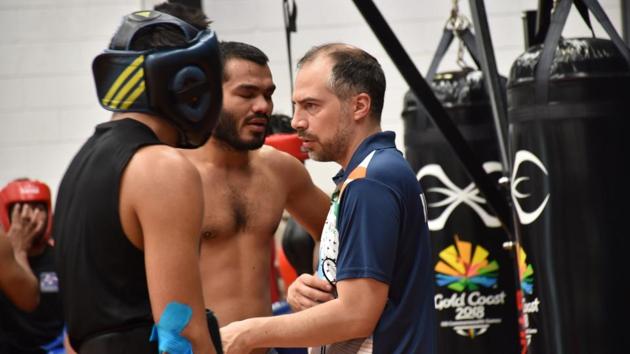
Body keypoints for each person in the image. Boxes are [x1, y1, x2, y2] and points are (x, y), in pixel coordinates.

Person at [220, 43, 436, 354]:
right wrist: (308, 290)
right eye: (296, 106)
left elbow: (356, 314)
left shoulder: (371, 181)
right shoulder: (368, 175)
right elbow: (361, 296)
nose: (296, 122)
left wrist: (250, 331)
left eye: (311, 106)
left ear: (359, 106)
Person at [53, 2, 223, 353]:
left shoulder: (77, 168)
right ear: (189, 81)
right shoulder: (161, 167)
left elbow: (75, 335)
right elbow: (181, 332)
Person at [179, 41, 330, 354]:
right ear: (207, 98)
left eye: (268, 94)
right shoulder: (174, 176)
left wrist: (316, 281)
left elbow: (339, 233)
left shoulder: (280, 170)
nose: (263, 106)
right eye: (247, 94)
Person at [0, 178, 65, 353]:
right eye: (20, 209)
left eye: (38, 208)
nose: (30, 217)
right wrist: (17, 251)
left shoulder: (62, 257)